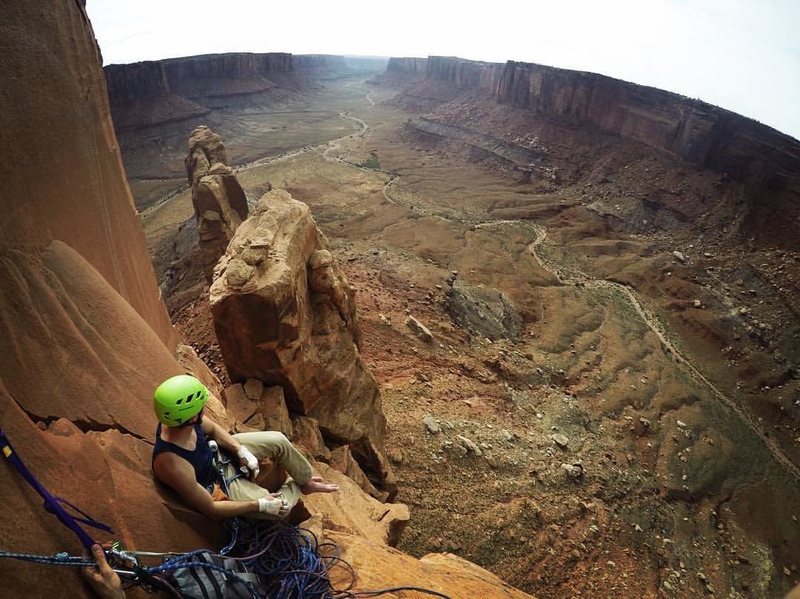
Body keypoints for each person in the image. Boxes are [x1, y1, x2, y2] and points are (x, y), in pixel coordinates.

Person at [152, 374, 338, 520]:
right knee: (281, 508)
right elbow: (211, 508)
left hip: (219, 454)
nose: (204, 410)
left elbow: (215, 430)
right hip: (218, 484)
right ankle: (296, 487)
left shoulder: (182, 421)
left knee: (278, 440)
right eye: (201, 407)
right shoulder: (172, 464)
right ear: (192, 417)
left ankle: (305, 481)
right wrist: (258, 504)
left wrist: (240, 450)